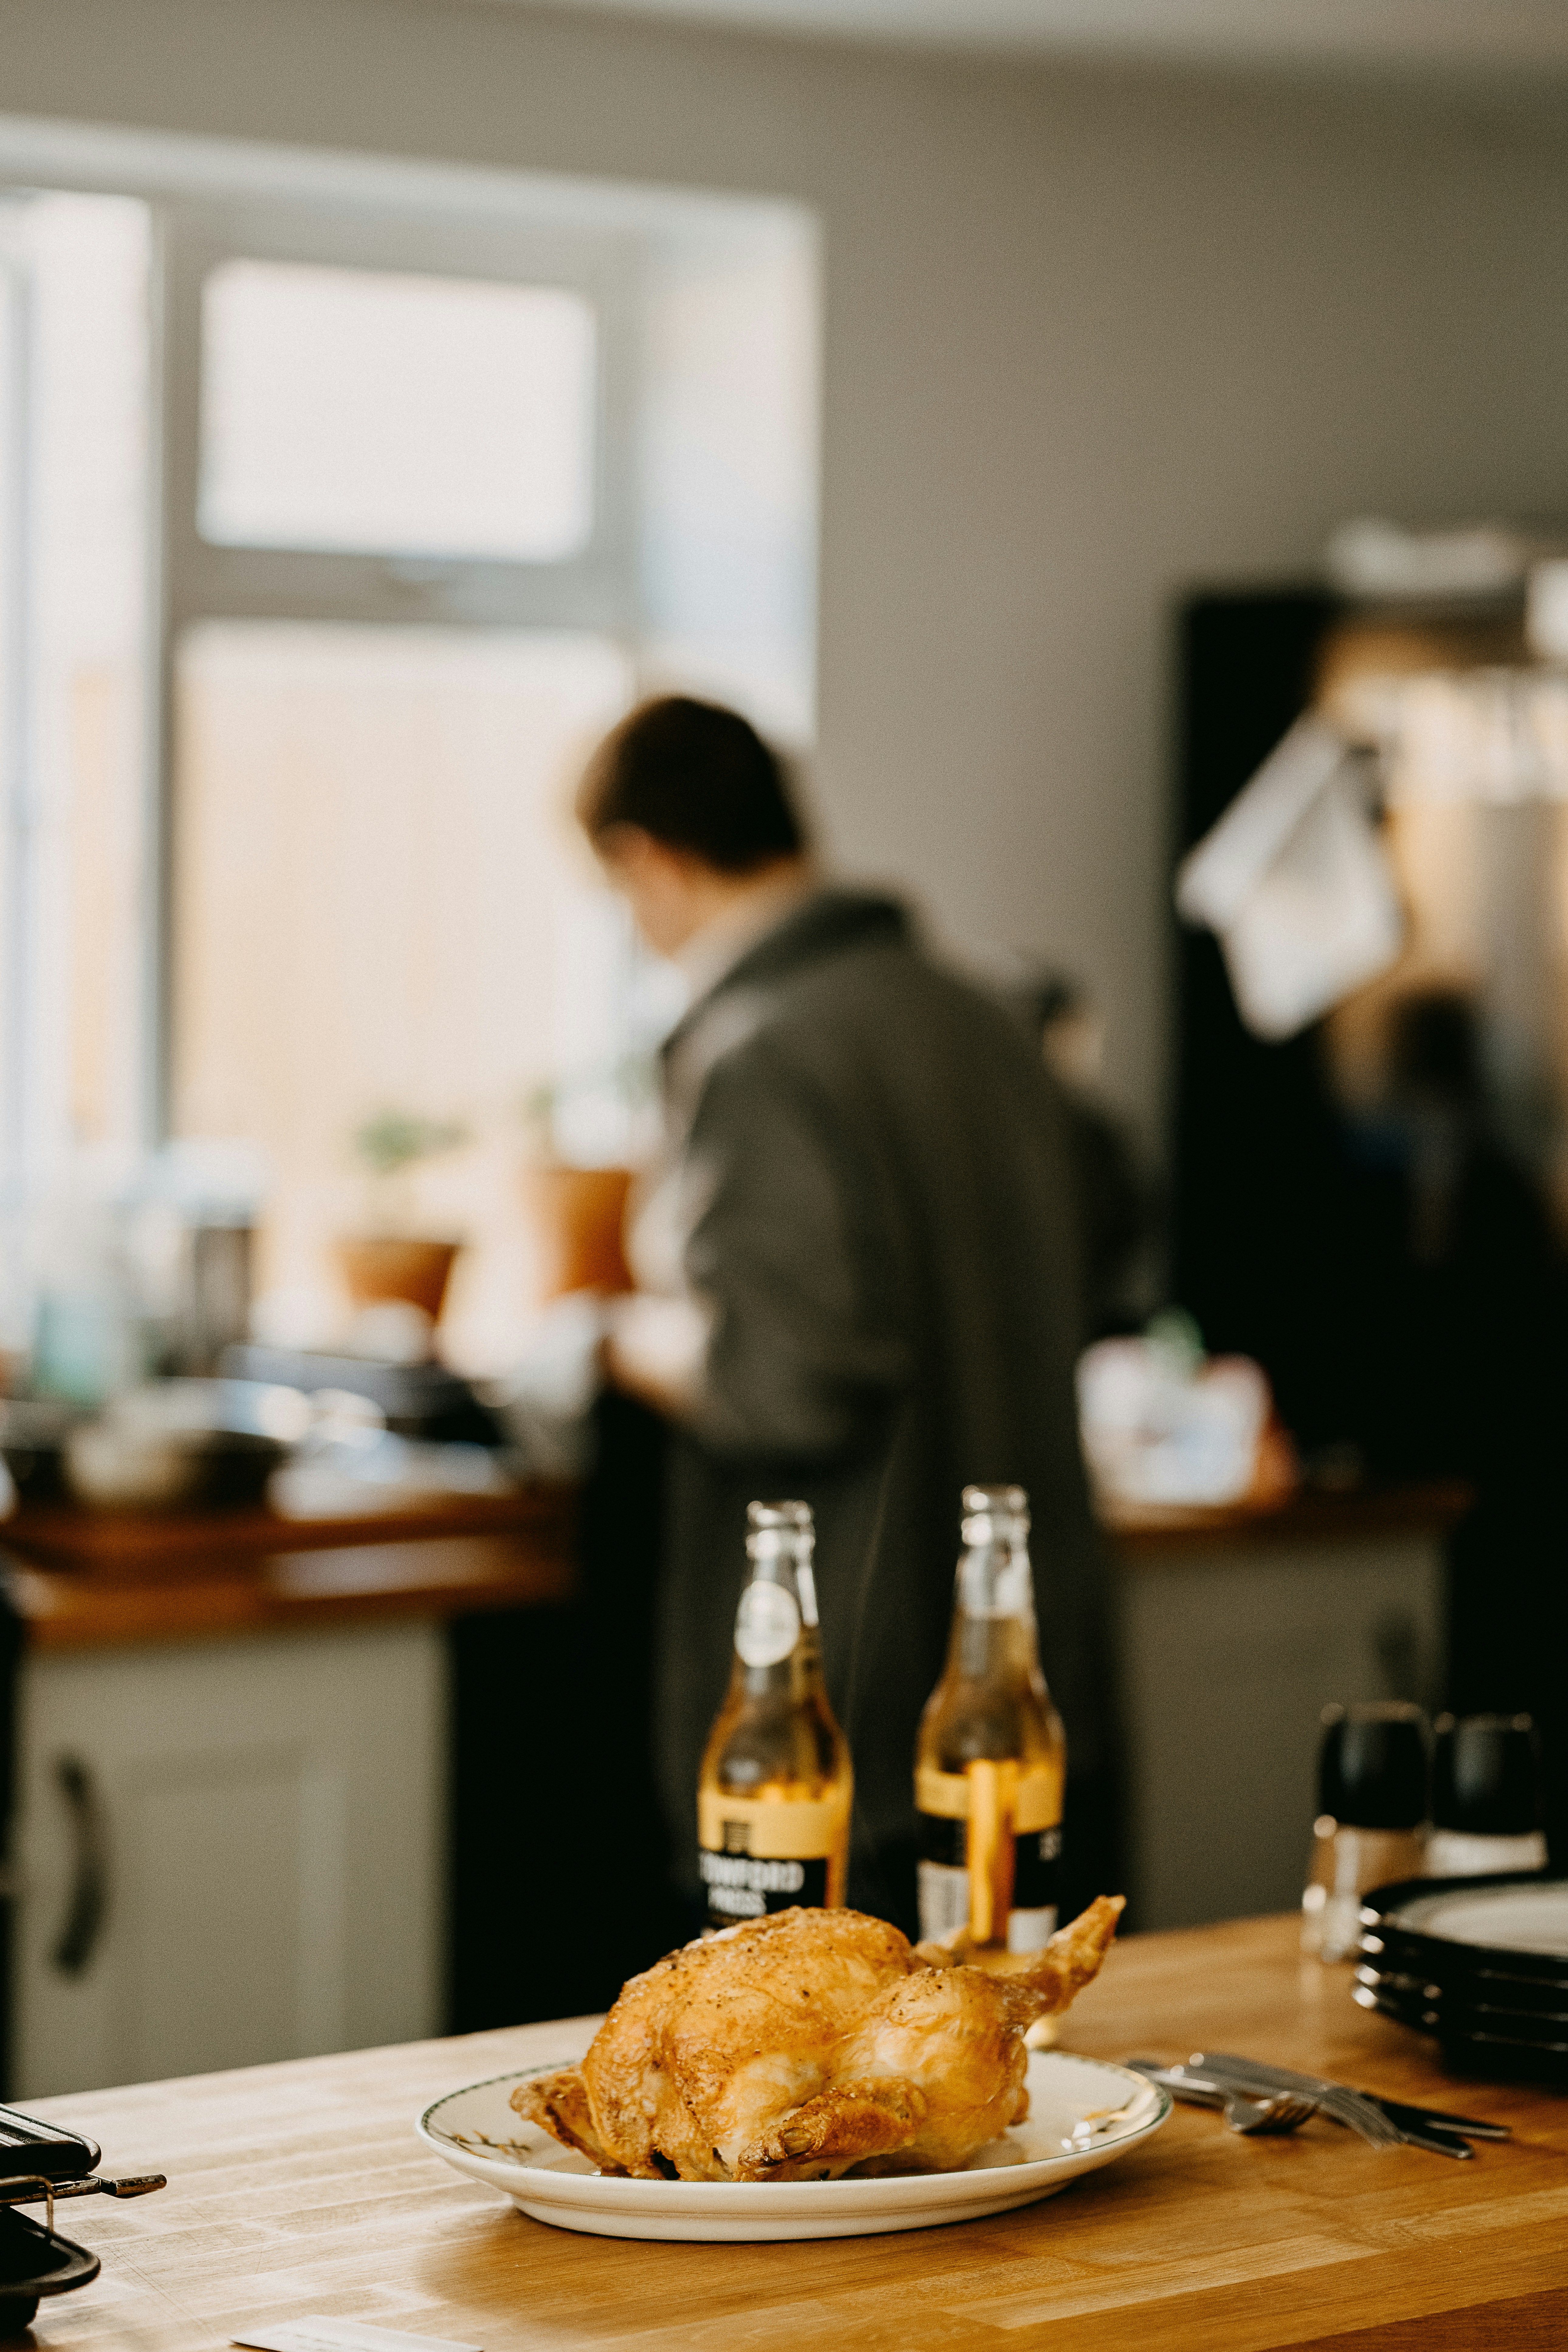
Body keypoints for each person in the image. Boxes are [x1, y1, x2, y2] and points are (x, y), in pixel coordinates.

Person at [582, 695, 1111, 1934]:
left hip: (857, 1727)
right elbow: (1111, 1239)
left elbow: (784, 1376)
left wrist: (616, 1339)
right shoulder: (982, 1017)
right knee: (1019, 2074)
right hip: (1026, 1686)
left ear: (643, 859)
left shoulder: (761, 1048)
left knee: (843, 2097)